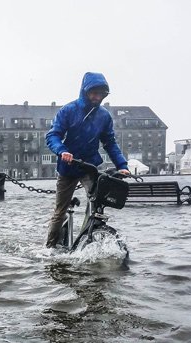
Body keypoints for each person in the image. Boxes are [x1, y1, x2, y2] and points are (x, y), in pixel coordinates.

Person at [45, 72, 130, 248]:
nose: (97, 97)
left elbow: (110, 143)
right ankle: (50, 248)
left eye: (101, 94)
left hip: (90, 167)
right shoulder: (68, 110)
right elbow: (53, 135)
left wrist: (122, 166)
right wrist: (62, 151)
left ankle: (87, 237)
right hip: (68, 166)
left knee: (97, 204)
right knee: (60, 212)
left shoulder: (104, 116)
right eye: (94, 93)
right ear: (85, 91)